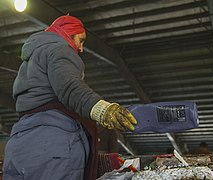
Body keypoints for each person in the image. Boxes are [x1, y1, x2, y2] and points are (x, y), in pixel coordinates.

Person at [2, 15, 137, 180]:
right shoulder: (60, 49)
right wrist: (103, 110)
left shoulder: (31, 60)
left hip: (18, 144)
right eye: (81, 40)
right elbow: (70, 87)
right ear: (68, 34)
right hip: (52, 145)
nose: (81, 48)